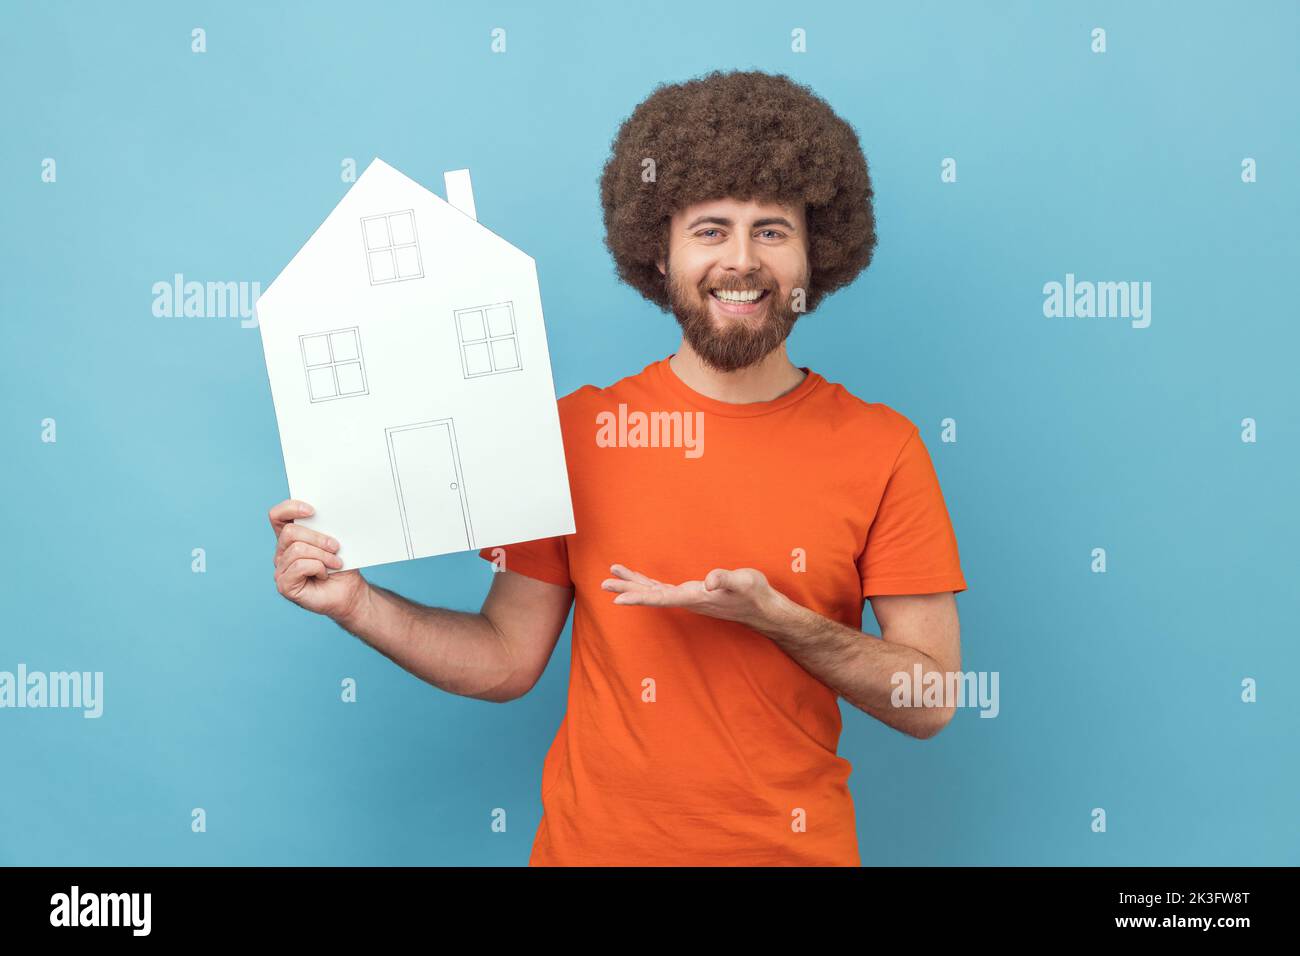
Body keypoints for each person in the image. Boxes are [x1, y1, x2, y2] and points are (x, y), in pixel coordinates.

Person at [268, 69, 967, 866]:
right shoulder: (574, 432)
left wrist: (783, 622)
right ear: (657, 250)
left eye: (772, 230)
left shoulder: (883, 447)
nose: (741, 262)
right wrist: (359, 604)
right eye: (710, 229)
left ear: (816, 253)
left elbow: (933, 699)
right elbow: (505, 657)